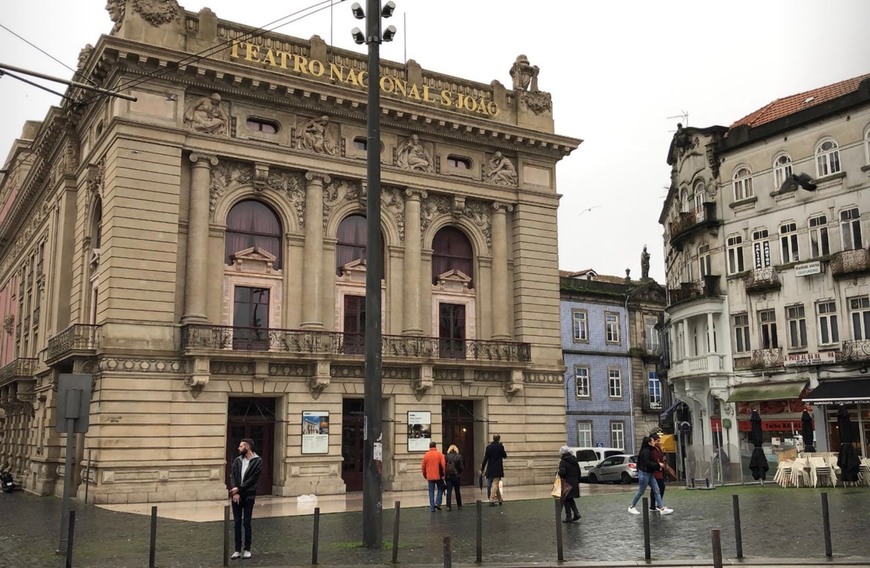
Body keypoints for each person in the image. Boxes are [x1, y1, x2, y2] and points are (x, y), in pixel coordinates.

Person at [229, 438, 263, 560]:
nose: (239, 448)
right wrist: (234, 491)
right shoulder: (237, 460)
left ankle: (247, 549)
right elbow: (232, 475)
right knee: (237, 523)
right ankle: (237, 550)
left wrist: (239, 489)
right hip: (236, 495)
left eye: (241, 446)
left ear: (247, 447)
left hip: (248, 495)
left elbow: (253, 480)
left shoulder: (257, 461)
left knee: (246, 522)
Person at [629, 436, 672, 515]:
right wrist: (658, 465)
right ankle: (632, 507)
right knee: (641, 491)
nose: (654, 442)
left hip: (650, 474)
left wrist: (658, 464)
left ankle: (661, 508)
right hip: (645, 474)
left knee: (656, 490)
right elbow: (647, 463)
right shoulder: (645, 451)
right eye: (652, 441)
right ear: (649, 442)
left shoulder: (649, 450)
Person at [480, 434, 507, 506]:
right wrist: (502, 447)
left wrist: (482, 468)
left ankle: (500, 500)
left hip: (490, 468)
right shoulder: (500, 447)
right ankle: (491, 500)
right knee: (495, 484)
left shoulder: (488, 447)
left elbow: (485, 458)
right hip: (497, 468)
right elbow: (505, 456)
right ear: (499, 439)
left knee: (496, 484)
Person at [421, 441, 446, 512]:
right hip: (438, 475)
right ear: (435, 446)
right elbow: (443, 465)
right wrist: (444, 473)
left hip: (429, 476)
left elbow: (423, 466)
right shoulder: (439, 454)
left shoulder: (426, 455)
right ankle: (438, 503)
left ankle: (432, 507)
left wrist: (424, 474)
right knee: (440, 488)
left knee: (431, 491)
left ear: (429, 446)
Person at [558, 446, 581, 523]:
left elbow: (563, 472)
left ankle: (569, 516)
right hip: (574, 482)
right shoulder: (574, 460)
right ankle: (576, 513)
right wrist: (577, 481)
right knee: (570, 499)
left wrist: (558, 473)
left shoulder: (563, 461)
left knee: (566, 499)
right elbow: (579, 471)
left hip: (567, 483)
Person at [647, 433, 666, 512]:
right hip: (655, 471)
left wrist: (663, 459)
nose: (659, 442)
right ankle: (658, 505)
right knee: (660, 487)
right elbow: (652, 459)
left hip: (659, 470)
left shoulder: (658, 448)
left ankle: (654, 505)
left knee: (656, 488)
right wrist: (658, 464)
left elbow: (660, 456)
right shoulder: (651, 449)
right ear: (653, 441)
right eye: (657, 441)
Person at [444, 444, 464, 511]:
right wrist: (459, 472)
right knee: (457, 491)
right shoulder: (459, 456)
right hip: (456, 476)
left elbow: (444, 466)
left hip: (448, 476)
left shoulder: (446, 456)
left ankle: (448, 506)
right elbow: (461, 467)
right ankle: (459, 505)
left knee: (449, 491)